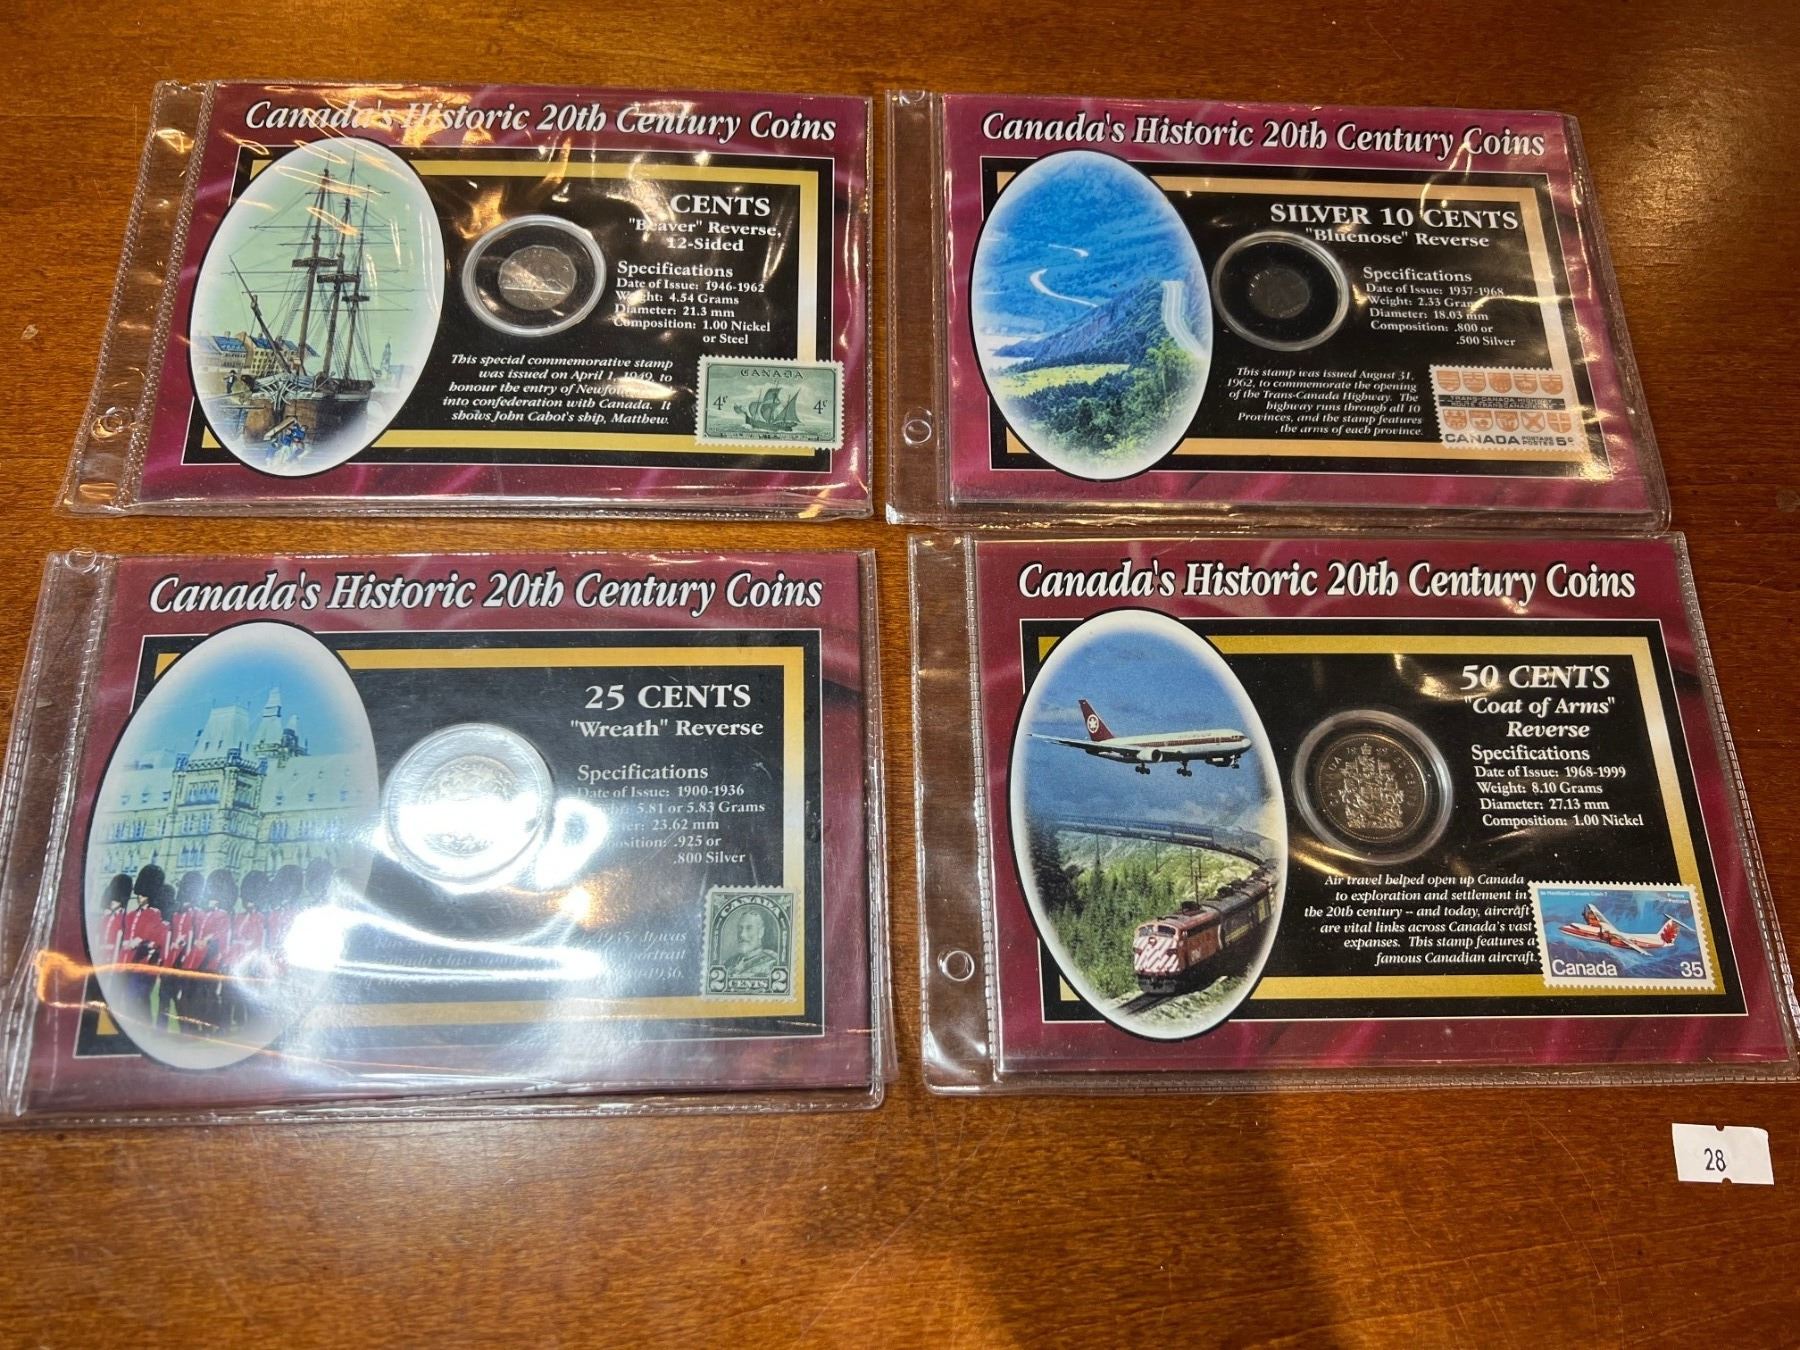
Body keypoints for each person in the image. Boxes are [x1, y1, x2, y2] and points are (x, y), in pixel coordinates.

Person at [723, 906, 780, 982]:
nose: (742, 934)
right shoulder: (729, 963)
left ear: (761, 932)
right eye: (740, 928)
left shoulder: (772, 963)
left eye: (749, 928)